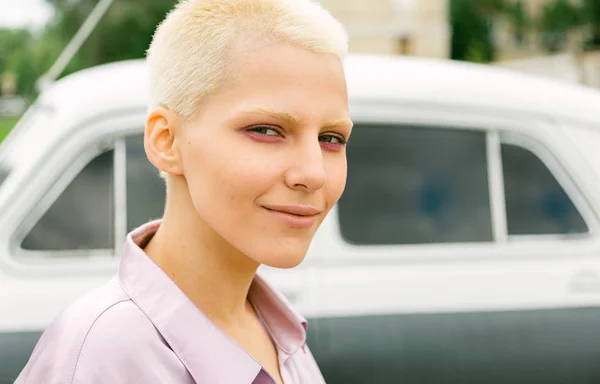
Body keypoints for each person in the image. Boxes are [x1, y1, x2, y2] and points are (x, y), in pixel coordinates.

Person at [15, 0, 351, 383]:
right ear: (166, 141)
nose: (313, 173)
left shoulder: (279, 333)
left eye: (331, 138)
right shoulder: (104, 355)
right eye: (266, 130)